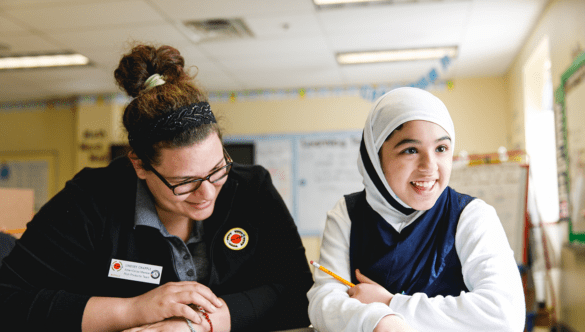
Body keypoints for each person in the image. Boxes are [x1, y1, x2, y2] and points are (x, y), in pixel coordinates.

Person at [0, 44, 313, 332]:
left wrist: (203, 323)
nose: (207, 193)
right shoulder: (91, 200)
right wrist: (133, 310)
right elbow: (9, 300)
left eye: (217, 169)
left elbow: (300, 293)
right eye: (185, 182)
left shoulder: (251, 189)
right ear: (139, 165)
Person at [307, 87, 525, 332]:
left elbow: (505, 315)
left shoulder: (471, 215)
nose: (429, 167)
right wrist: (382, 322)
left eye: (441, 149)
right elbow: (324, 302)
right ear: (374, 157)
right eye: (410, 150)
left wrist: (391, 303)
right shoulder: (347, 214)